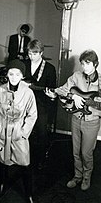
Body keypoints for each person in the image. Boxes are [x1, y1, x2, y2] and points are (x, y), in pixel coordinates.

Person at [46, 49, 101, 191]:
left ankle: (86, 176)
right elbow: (61, 90)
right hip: (76, 118)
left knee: (86, 152)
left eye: (87, 63)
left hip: (92, 121)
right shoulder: (76, 76)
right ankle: (77, 175)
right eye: (82, 64)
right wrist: (74, 97)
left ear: (95, 64)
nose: (84, 67)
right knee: (75, 151)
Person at [0, 59, 38, 203]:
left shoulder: (28, 93)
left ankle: (29, 194)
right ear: (7, 75)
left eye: (17, 74)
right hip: (1, 132)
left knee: (25, 164)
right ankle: (1, 186)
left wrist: (23, 132)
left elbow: (32, 115)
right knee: (1, 162)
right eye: (11, 74)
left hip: (18, 133)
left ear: (22, 76)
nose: (14, 77)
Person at [24, 39, 57, 169]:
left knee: (41, 133)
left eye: (34, 54)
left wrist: (52, 96)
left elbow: (52, 89)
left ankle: (40, 159)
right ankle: (24, 157)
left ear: (41, 53)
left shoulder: (49, 69)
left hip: (41, 105)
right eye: (30, 53)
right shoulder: (24, 64)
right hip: (24, 103)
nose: (31, 56)